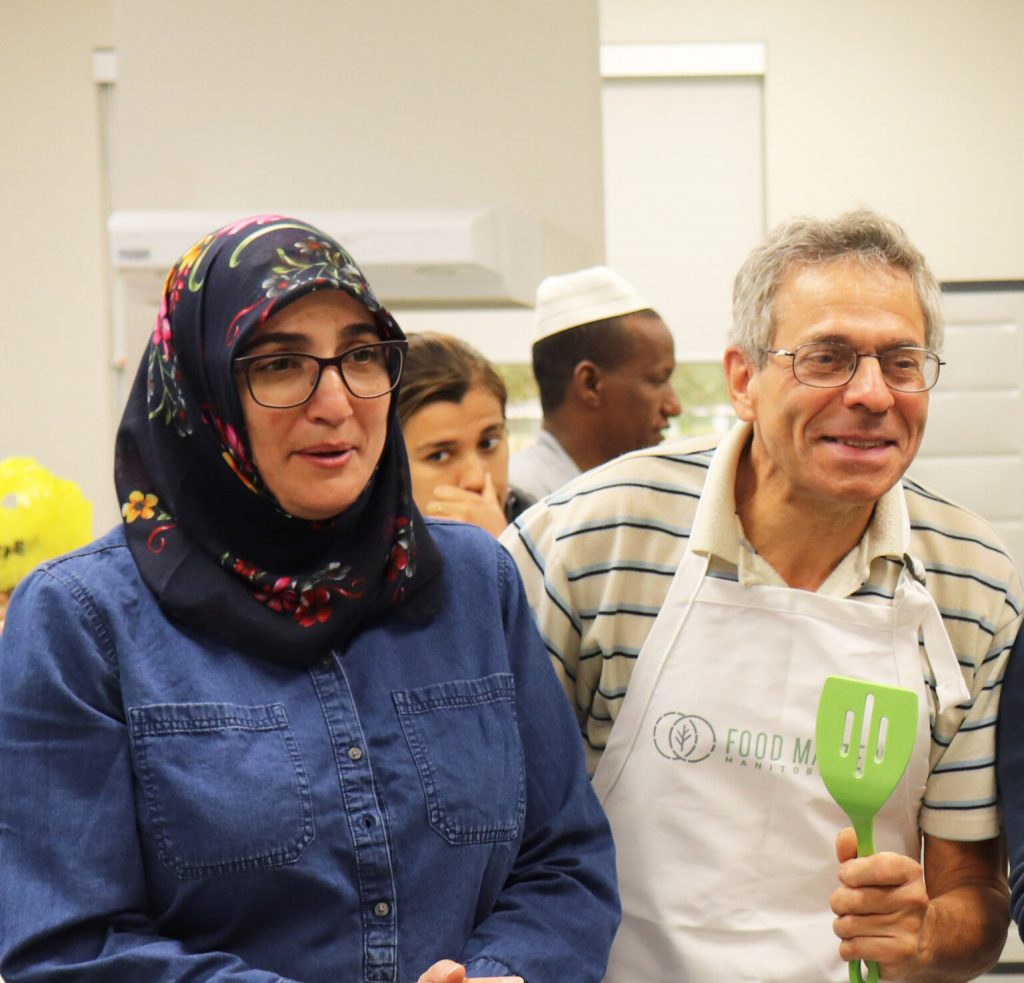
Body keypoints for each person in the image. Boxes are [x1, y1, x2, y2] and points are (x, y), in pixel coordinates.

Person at [0, 216, 620, 983]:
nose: (335, 402)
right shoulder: (82, 619)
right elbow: (65, 944)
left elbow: (566, 860)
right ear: (200, 388)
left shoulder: (472, 581)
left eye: (360, 355)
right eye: (280, 364)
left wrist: (507, 970)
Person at [502, 208, 1023, 981]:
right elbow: (493, 830)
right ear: (744, 380)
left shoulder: (972, 580)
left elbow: (973, 896)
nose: (872, 393)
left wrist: (922, 936)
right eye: (827, 358)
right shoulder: (586, 541)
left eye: (902, 362)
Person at [508, 265, 681, 500]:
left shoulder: (628, 492)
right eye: (657, 381)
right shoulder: (520, 500)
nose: (674, 406)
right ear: (590, 383)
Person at [397, 332, 532, 537]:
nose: (475, 480)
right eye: (439, 456)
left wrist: (503, 546)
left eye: (488, 444)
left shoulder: (545, 534)